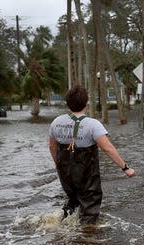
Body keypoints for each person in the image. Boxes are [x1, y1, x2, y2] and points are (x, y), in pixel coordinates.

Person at [48, 85, 135, 224]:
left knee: (72, 200)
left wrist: (58, 165)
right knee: (90, 204)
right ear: (86, 103)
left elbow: (52, 147)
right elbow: (108, 148)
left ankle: (61, 227)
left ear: (68, 103)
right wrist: (125, 168)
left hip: (65, 172)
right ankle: (86, 237)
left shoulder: (56, 122)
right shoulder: (93, 124)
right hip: (86, 174)